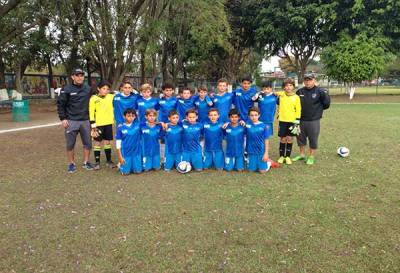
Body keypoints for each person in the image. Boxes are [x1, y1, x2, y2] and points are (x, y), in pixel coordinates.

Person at [57, 68, 94, 173]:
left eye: (81, 75)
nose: (79, 77)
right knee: (70, 144)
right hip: (71, 121)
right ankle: (71, 164)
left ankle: (86, 162)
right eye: (77, 75)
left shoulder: (88, 88)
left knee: (88, 143)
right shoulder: (66, 89)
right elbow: (61, 105)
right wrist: (63, 118)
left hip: (85, 120)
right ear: (72, 77)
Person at [293, 73, 331, 165]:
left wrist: (316, 112)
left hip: (313, 120)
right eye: (306, 80)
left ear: (314, 81)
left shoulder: (320, 91)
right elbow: (295, 105)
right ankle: (302, 155)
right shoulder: (300, 92)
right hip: (301, 120)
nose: (308, 82)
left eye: (310, 80)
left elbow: (326, 104)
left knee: (313, 139)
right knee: (300, 138)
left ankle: (311, 156)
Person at [89, 80, 116, 170]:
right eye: (103, 88)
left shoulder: (111, 97)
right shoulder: (93, 99)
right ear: (98, 89)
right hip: (98, 125)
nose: (106, 90)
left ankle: (109, 161)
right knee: (97, 142)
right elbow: (91, 112)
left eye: (107, 89)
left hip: (108, 123)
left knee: (107, 142)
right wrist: (93, 125)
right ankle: (97, 162)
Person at [275, 78, 302, 165]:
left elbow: (298, 109)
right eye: (286, 85)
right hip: (282, 121)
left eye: (290, 85)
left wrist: (297, 121)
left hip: (293, 121)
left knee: (290, 138)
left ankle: (288, 157)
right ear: (284, 87)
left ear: (293, 87)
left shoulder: (296, 97)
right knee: (283, 139)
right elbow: (274, 93)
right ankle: (282, 156)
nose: (288, 87)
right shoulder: (282, 95)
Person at [115, 109, 143, 175]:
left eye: (133, 116)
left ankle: (137, 163)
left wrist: (163, 123)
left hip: (136, 152)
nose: (131, 118)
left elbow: (151, 123)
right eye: (128, 116)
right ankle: (120, 164)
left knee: (138, 172)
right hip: (126, 153)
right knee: (126, 173)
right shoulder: (120, 127)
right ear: (124, 116)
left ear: (135, 117)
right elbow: (118, 143)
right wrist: (120, 157)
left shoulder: (138, 125)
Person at [245, 107, 271, 173]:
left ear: (259, 115)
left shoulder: (263, 126)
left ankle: (269, 163)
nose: (254, 117)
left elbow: (266, 140)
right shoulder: (247, 125)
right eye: (252, 115)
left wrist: (266, 153)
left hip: (261, 151)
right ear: (249, 116)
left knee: (262, 171)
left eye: (256, 115)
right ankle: (252, 162)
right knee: (251, 170)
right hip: (251, 151)